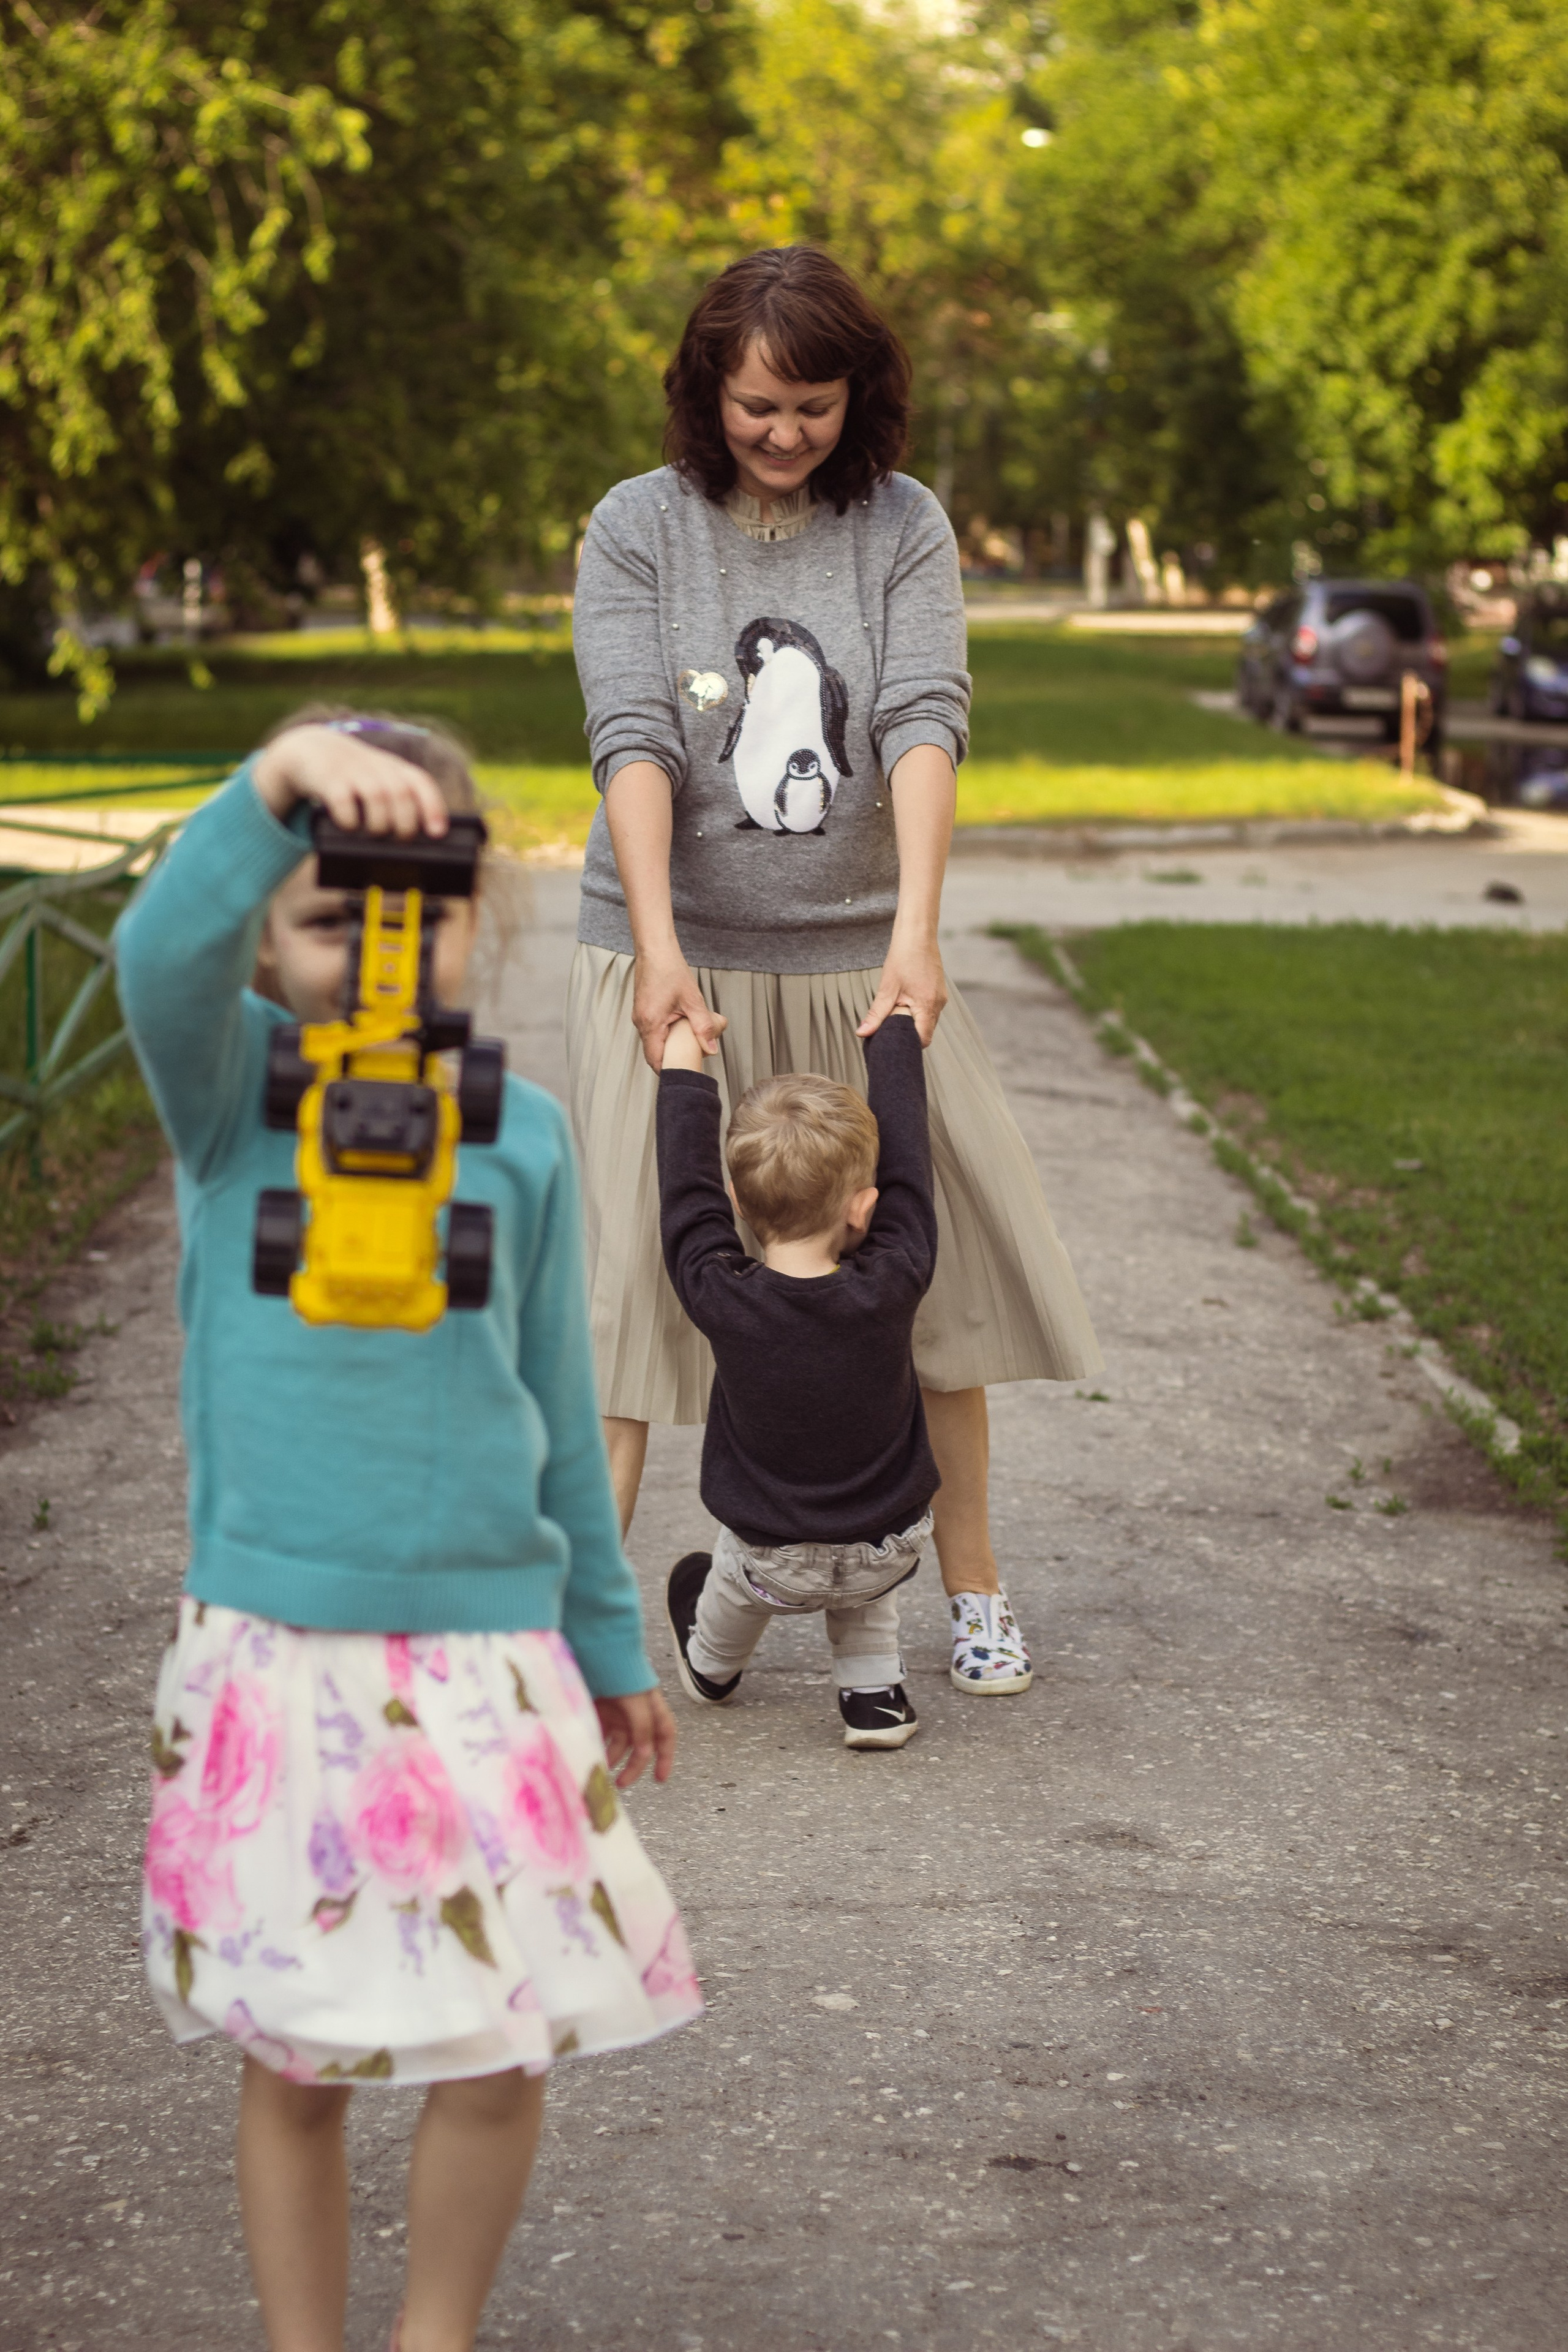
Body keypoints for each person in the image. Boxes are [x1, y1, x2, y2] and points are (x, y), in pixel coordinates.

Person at [118, 712, 700, 2352]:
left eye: (416, 909)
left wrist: (607, 1644)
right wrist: (277, 779)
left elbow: (559, 1411)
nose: (376, 946)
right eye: (328, 910)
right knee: (295, 2061)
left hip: (483, 1665)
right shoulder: (234, 1100)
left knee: (500, 2046)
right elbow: (152, 955)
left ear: (475, 918)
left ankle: (431, 2332)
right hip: (281, 1657)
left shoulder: (524, 1136)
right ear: (262, 941)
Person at [568, 243, 1102, 1697]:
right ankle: (582, 1637)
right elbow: (631, 734)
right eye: (757, 406)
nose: (784, 433)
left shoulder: (901, 524)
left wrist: (915, 931)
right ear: (704, 391)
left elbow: (923, 715)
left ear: (859, 395)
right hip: (669, 959)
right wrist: (660, 952)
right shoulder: (635, 526)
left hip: (863, 956)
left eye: (813, 405)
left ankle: (972, 1594)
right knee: (628, 1301)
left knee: (932, 1284)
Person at [657, 1005, 936, 1749]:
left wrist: (684, 1066)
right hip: (889, 1551)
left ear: (738, 1202)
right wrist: (895, 1036)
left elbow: (686, 1196)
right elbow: (910, 1170)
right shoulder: (896, 1277)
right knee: (863, 1550)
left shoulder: (718, 1292)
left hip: (769, 1563)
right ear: (864, 1208)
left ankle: (712, 1667)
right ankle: (873, 1699)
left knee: (732, 1567)